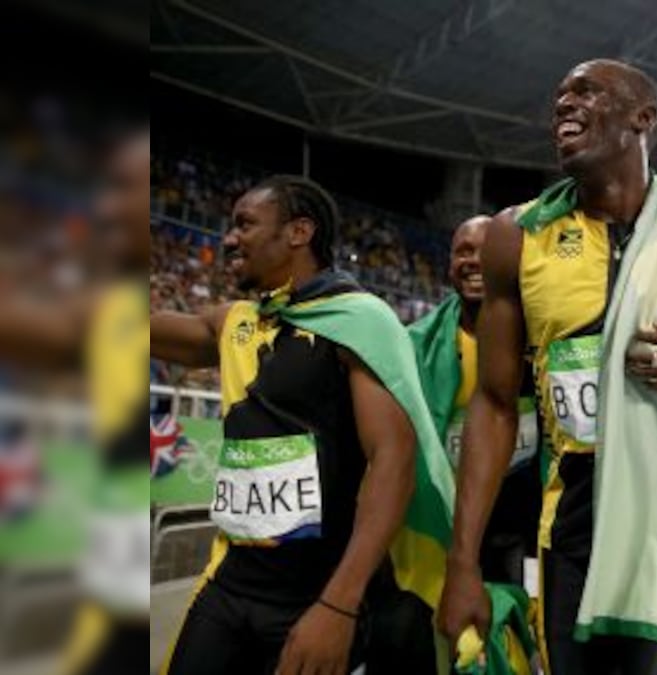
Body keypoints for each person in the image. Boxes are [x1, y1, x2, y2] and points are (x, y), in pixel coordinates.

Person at [438, 59, 657, 674]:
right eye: (559, 96)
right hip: (574, 523)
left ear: (643, 119)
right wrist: (462, 565)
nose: (564, 105)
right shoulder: (518, 236)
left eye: (586, 92)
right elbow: (492, 403)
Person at [151, 175, 452, 675]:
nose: (229, 238)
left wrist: (339, 605)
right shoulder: (237, 321)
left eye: (245, 224)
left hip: (317, 595)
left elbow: (393, 461)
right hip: (229, 583)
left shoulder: (360, 320)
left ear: (298, 232)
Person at [0, 124, 151, 675]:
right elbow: (27, 328)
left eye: (121, 188)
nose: (107, 207)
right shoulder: (102, 308)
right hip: (101, 588)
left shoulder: (153, 316)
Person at [369, 215, 540, 673]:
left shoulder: (543, 347)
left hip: (510, 531)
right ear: (448, 266)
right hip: (429, 532)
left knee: (501, 650)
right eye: (463, 250)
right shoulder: (411, 349)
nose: (474, 260)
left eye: (486, 250)